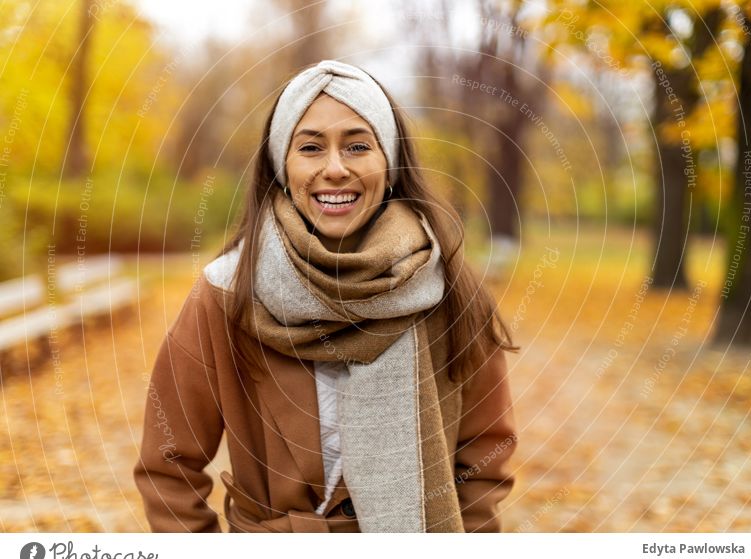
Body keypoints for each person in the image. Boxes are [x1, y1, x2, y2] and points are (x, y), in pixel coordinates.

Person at [133, 59, 519, 533]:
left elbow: (485, 456)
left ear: (389, 162)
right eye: (311, 147)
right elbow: (169, 465)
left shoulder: (447, 287)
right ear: (282, 165)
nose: (335, 169)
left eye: (357, 146)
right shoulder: (226, 293)